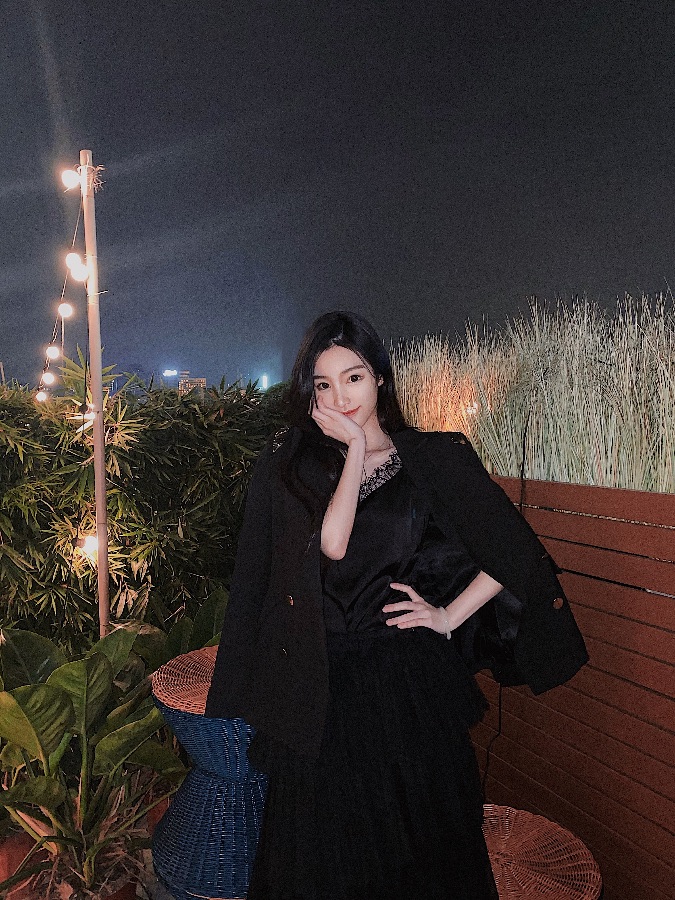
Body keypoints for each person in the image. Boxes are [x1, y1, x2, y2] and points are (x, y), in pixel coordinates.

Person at [205, 310, 588, 900]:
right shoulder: (292, 465)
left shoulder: (432, 459)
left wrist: (447, 616)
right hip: (319, 685)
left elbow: (515, 554)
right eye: (324, 384)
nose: (341, 398)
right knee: (324, 860)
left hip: (403, 682)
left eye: (354, 378)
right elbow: (318, 551)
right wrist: (356, 447)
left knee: (420, 856)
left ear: (380, 378)